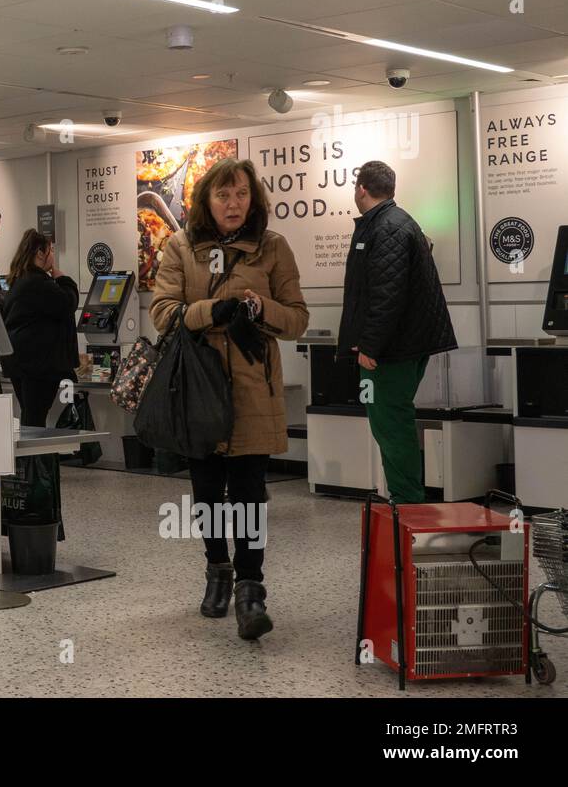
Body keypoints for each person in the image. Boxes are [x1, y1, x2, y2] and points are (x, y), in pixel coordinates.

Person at [149, 158, 308, 641]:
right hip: (198, 389)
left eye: (240, 194)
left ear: (252, 198)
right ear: (206, 201)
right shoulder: (180, 246)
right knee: (207, 491)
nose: (233, 204)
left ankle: (251, 588)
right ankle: (217, 569)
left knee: (249, 494)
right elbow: (163, 313)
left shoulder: (273, 247)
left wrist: (261, 308)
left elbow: (297, 319)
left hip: (253, 388)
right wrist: (209, 310)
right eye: (223, 195)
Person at [337, 160, 456, 504]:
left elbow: (387, 294)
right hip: (401, 346)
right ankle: (404, 499)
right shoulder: (394, 222)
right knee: (390, 422)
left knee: (389, 424)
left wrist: (370, 346)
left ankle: (406, 503)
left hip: (388, 352)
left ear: (361, 188)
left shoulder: (386, 228)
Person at [0, 229, 78, 426]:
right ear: (40, 253)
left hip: (19, 360)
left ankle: (30, 457)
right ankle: (32, 457)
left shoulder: (19, 279)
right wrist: (63, 280)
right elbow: (67, 303)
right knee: (35, 416)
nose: (52, 255)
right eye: (50, 250)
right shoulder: (37, 282)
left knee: (31, 412)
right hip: (37, 364)